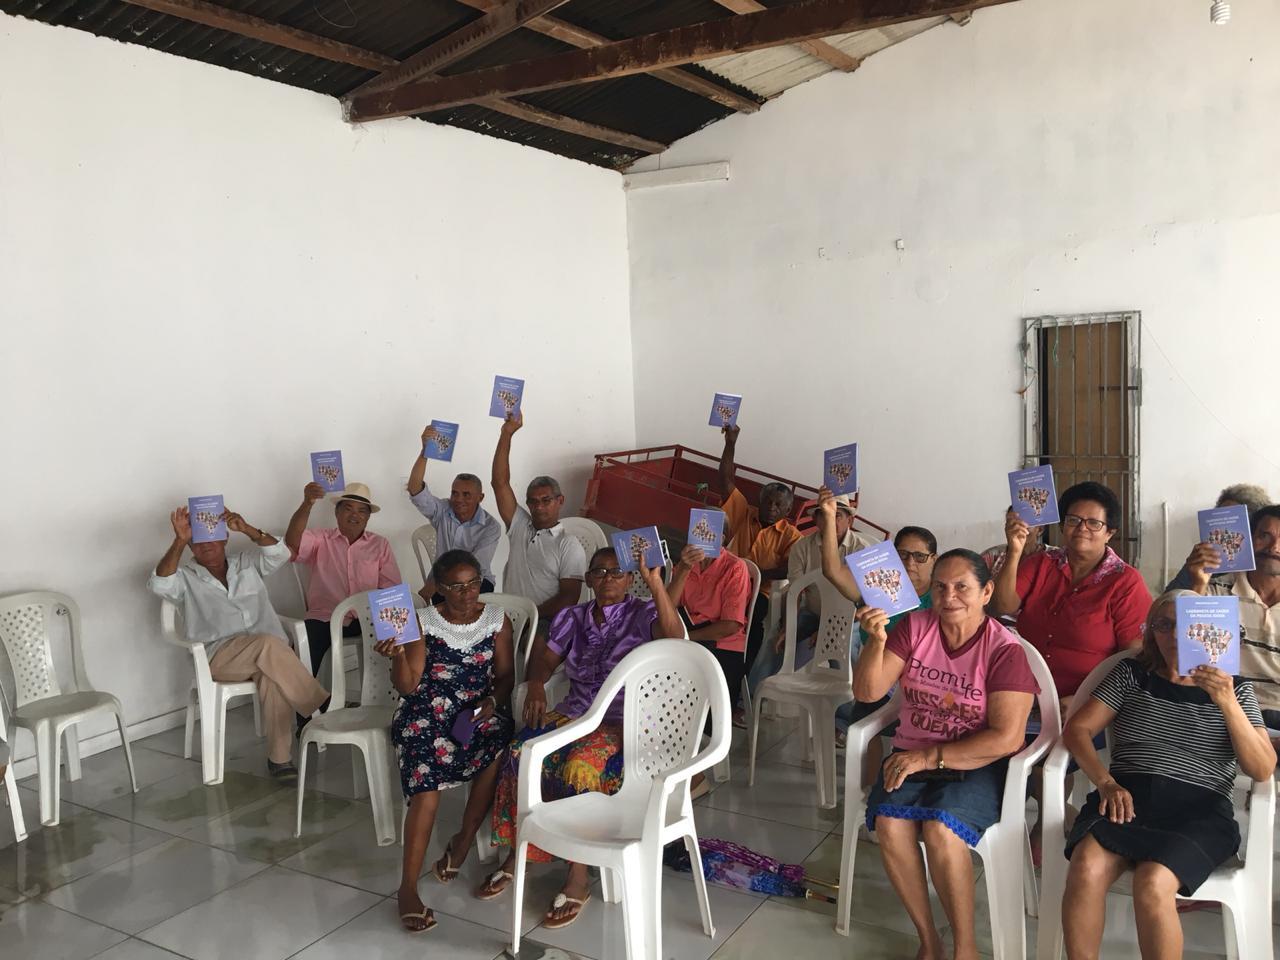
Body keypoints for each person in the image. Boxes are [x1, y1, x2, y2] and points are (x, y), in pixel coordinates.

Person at [1059, 591, 1275, 960]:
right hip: (1127, 798)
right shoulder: (1132, 674)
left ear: (1206, 629)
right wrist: (1105, 781)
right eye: (1164, 625)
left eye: (1188, 625)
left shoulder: (1234, 687)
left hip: (1200, 811)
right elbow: (1077, 730)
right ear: (1151, 633)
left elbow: (1261, 767)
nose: (1176, 635)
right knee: (1085, 866)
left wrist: (1225, 700)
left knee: (1153, 882)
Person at [474, 550, 681, 929]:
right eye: (599, 572)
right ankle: (519, 852)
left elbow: (674, 639)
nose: (607, 578)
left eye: (616, 572)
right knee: (521, 751)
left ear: (628, 578)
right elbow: (546, 658)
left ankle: (578, 876)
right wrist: (536, 682)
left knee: (580, 765)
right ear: (588, 579)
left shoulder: (643, 612)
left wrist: (656, 586)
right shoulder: (574, 617)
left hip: (623, 721)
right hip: (575, 713)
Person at [853, 549, 1039, 960]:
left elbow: (1007, 738)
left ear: (987, 591)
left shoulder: (1004, 650)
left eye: (962, 587)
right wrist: (877, 642)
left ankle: (965, 948)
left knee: (941, 830)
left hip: (978, 764)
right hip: (913, 753)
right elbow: (867, 693)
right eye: (940, 587)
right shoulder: (916, 627)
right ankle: (929, 941)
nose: (949, 596)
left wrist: (928, 757)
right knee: (888, 822)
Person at [376, 549, 515, 933]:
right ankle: (407, 888)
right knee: (428, 787)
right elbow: (407, 686)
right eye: (457, 586)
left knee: (497, 745)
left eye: (473, 582)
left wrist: (491, 702)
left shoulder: (496, 620)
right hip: (425, 710)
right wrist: (399, 654)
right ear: (439, 588)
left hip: (475, 711)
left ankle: (464, 840)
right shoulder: (420, 621)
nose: (469, 592)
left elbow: (505, 677)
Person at [148, 505, 328, 782]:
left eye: (211, 538)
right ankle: (323, 708)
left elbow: (281, 553)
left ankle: (280, 761)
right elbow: (159, 585)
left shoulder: (246, 562)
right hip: (219, 657)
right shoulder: (185, 578)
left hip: (265, 654)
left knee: (272, 675)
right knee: (269, 645)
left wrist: (247, 528)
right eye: (196, 541)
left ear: (224, 539)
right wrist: (178, 541)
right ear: (191, 547)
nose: (205, 545)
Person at [990, 481, 1151, 703]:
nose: (1082, 529)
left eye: (1094, 523)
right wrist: (1015, 552)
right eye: (1073, 520)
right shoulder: (1041, 563)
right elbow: (1002, 606)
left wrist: (1086, 698)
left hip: (1087, 702)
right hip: (1020, 690)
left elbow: (1134, 656)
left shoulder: (1126, 582)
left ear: (1109, 533)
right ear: (1063, 526)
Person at [745, 493, 875, 700]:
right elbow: (796, 591)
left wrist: (829, 630)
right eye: (824, 514)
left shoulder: (863, 550)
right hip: (813, 614)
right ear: (815, 519)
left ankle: (847, 715)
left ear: (849, 520)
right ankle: (751, 700)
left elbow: (868, 601)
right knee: (775, 641)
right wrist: (789, 625)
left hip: (850, 621)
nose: (830, 520)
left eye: (837, 515)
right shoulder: (802, 547)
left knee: (847, 652)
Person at [285, 481, 401, 676]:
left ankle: (394, 699)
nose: (354, 515)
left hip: (368, 619)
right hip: (325, 618)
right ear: (337, 513)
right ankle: (309, 704)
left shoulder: (379, 544)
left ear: (368, 517)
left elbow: (391, 589)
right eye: (348, 509)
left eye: (362, 511)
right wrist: (307, 503)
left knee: (408, 639)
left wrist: (394, 628)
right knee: (303, 650)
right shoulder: (322, 539)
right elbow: (292, 541)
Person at [1183, 504, 1280, 724]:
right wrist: (1198, 582)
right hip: (1225, 712)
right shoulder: (1215, 590)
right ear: (1247, 538)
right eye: (1264, 536)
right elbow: (1190, 655)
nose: (1274, 547)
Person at [491, 411, 586, 628]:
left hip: (545, 623)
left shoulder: (567, 544)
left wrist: (529, 618)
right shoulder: (520, 526)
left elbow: (568, 599)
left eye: (546, 500)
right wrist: (507, 433)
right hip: (510, 621)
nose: (539, 507)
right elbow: (499, 483)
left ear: (560, 500)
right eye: (533, 502)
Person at [408, 423, 502, 600]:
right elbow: (415, 490)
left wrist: (434, 585)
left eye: (467, 495)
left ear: (480, 498)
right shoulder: (443, 510)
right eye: (455, 493)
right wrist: (424, 452)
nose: (459, 499)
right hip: (441, 582)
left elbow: (474, 568)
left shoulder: (491, 527)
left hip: (476, 582)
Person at [667, 542, 753, 715]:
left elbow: (730, 625)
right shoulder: (686, 563)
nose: (702, 536)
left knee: (704, 705)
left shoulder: (735, 567)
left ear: (722, 538)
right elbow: (666, 608)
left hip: (722, 644)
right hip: (688, 637)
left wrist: (687, 638)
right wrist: (684, 569)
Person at [1164, 483, 1271, 591]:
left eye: (1234, 520)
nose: (1226, 531)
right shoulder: (1206, 560)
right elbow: (1166, 601)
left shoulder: (1268, 562)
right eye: (1221, 518)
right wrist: (1196, 579)